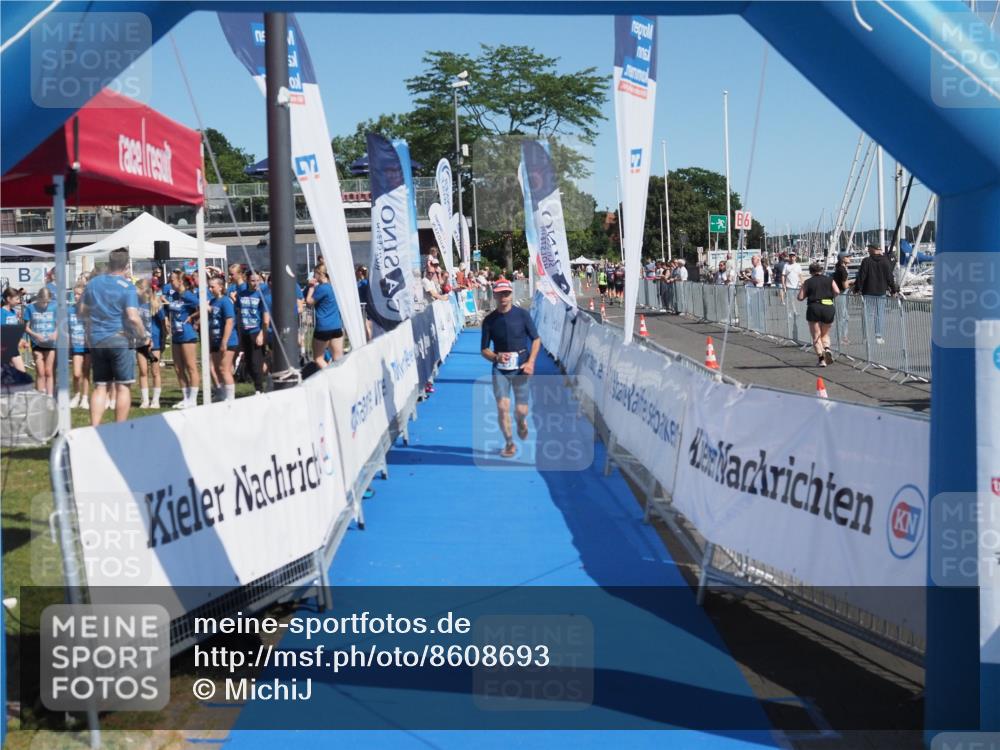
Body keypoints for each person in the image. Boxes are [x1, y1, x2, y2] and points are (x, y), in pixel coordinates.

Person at [79, 247, 148, 425]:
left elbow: (82, 311)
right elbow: (133, 316)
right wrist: (143, 335)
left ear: (109, 263)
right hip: (120, 338)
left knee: (100, 385)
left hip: (97, 338)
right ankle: (120, 429)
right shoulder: (127, 287)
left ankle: (95, 426)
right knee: (123, 385)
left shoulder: (93, 283)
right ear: (126, 267)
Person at [480, 278, 541, 459]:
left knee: (521, 411)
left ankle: (521, 422)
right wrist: (496, 357)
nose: (504, 298)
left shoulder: (522, 315)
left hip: (521, 366)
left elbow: (536, 339)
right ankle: (509, 443)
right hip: (500, 369)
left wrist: (530, 362)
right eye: (500, 294)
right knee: (502, 407)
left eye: (506, 294)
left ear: (511, 294)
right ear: (495, 295)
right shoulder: (489, 320)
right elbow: (483, 349)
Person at [166, 273, 201, 409]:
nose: (170, 283)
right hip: (176, 334)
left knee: (191, 366)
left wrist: (193, 317)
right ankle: (185, 397)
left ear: (180, 282)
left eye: (172, 280)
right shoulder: (174, 295)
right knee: (178, 368)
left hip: (187, 334)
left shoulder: (188, 295)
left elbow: (202, 306)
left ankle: (193, 399)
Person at [852, 243, 898, 344]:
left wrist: (857, 289)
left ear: (873, 249)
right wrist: (893, 290)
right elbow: (890, 277)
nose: (868, 250)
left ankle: (866, 337)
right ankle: (878, 336)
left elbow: (861, 277)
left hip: (868, 291)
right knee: (879, 314)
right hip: (881, 291)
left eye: (869, 248)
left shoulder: (866, 261)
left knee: (867, 314)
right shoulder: (885, 261)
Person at [798, 262, 841, 367]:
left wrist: (806, 291)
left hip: (814, 307)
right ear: (821, 270)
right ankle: (827, 349)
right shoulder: (829, 280)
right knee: (825, 334)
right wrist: (829, 297)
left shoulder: (808, 282)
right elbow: (837, 291)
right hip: (828, 307)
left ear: (810, 271)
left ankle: (822, 360)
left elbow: (800, 297)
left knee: (816, 335)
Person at [236, 271, 270, 395]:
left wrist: (262, 333)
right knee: (249, 362)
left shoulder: (261, 295)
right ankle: (260, 383)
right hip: (244, 331)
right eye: (253, 280)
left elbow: (266, 317)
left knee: (256, 362)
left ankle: (259, 388)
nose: (256, 283)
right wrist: (239, 330)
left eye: (258, 280)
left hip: (256, 331)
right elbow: (239, 312)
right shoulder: (241, 294)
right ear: (247, 280)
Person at [306, 263, 344, 367]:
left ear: (319, 274)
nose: (313, 277)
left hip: (323, 327)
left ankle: (331, 379)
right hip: (336, 326)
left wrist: (311, 288)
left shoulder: (322, 288)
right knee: (338, 357)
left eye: (314, 274)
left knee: (318, 358)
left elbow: (309, 301)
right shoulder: (334, 287)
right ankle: (341, 378)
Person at [208, 276, 238, 401]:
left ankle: (230, 398)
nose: (210, 289)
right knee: (216, 368)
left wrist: (224, 341)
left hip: (227, 340)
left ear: (220, 287)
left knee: (224, 369)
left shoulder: (225, 301)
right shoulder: (213, 301)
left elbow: (229, 321)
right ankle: (222, 394)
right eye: (209, 286)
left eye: (212, 286)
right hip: (215, 339)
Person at [136, 279, 164, 409]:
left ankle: (156, 400)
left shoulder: (155, 304)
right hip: (141, 342)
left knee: (155, 371)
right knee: (143, 371)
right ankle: (145, 400)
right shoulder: (137, 305)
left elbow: (163, 324)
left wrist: (161, 340)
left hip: (155, 342)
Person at [23, 287, 57, 395]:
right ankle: (41, 395)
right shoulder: (30, 308)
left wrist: (55, 333)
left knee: (48, 371)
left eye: (47, 302)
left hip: (50, 343)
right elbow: (26, 327)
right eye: (42, 302)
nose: (44, 305)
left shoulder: (54, 308)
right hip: (36, 343)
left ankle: (50, 395)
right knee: (40, 371)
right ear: (38, 299)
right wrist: (35, 335)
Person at [68, 282, 90, 410]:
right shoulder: (70, 310)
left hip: (87, 345)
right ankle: (76, 395)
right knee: (76, 373)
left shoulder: (89, 310)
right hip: (76, 345)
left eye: (78, 294)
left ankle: (85, 398)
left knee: (86, 372)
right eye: (74, 294)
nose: (76, 296)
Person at [1, 288, 26, 372]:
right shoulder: (1, 313)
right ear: (8, 299)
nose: (18, 301)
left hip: (12, 348)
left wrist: (21, 340)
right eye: (17, 299)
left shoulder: (13, 312)